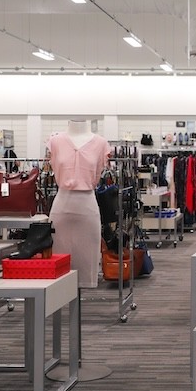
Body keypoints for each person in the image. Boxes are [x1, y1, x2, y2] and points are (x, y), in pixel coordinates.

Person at [46, 119, 112, 287]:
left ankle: (79, 297)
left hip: (87, 207)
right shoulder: (55, 142)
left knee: (87, 262)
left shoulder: (101, 144)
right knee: (60, 265)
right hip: (62, 207)